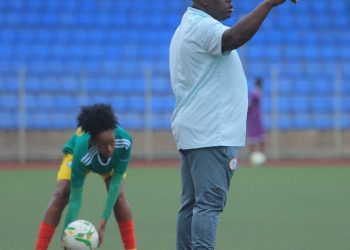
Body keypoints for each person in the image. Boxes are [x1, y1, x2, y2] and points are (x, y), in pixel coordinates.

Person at [169, 0, 298, 249]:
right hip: (212, 133)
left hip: (196, 131)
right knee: (209, 205)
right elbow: (234, 37)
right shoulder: (202, 26)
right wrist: (269, 4)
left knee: (192, 204)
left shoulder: (188, 25)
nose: (231, 2)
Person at [35, 104, 137, 250]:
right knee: (61, 194)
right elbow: (75, 200)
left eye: (111, 143)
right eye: (103, 145)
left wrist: (103, 223)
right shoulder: (82, 152)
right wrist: (67, 235)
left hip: (109, 165)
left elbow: (116, 180)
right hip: (81, 157)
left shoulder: (125, 141)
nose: (109, 149)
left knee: (118, 197)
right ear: (93, 141)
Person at [247, 77, 265, 154]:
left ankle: (253, 155)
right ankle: (260, 154)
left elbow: (250, 105)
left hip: (253, 117)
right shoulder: (257, 93)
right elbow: (250, 104)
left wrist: (247, 114)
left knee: (253, 137)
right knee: (258, 137)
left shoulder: (255, 93)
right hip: (256, 117)